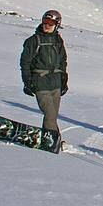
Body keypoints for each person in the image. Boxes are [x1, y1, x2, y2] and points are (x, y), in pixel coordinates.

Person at [19, 9, 68, 143]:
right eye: (45, 21)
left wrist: (64, 80)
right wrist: (27, 82)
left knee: (52, 116)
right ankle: (51, 142)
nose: (47, 25)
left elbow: (63, 61)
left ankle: (53, 139)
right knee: (50, 114)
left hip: (56, 82)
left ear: (57, 24)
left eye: (51, 22)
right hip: (40, 82)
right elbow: (25, 63)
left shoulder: (58, 40)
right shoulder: (33, 41)